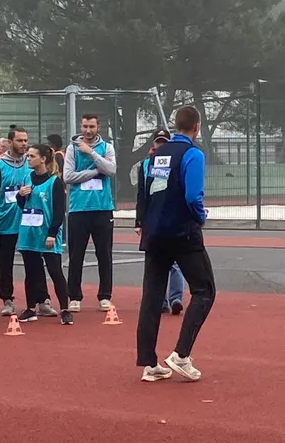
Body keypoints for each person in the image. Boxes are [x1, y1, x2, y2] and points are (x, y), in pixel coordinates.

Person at [135, 106, 215, 383]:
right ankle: (181, 354)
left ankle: (148, 363)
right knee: (205, 291)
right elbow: (193, 195)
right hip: (182, 233)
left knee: (152, 296)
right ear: (196, 126)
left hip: (155, 233)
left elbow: (147, 194)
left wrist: (144, 224)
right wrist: (200, 215)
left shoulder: (155, 156)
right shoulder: (193, 154)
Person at [63, 114, 117, 313]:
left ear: (98, 127)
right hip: (79, 209)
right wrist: (95, 171)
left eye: (92, 126)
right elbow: (68, 176)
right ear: (81, 126)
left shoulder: (107, 147)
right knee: (76, 254)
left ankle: (105, 296)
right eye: (85, 126)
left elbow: (111, 170)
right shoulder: (72, 149)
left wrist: (92, 154)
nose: (88, 130)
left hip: (102, 208)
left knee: (104, 254)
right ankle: (74, 296)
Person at [16, 144, 72, 324]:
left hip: (46, 232)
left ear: (43, 159)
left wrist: (52, 233)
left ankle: (65, 309)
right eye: (28, 156)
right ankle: (30, 308)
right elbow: (22, 205)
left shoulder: (54, 182)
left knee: (55, 271)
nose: (28, 159)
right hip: (29, 231)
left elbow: (58, 211)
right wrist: (20, 195)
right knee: (31, 272)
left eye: (32, 156)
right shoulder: (26, 177)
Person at [134, 129, 184, 314]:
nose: (161, 145)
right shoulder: (145, 165)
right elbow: (142, 194)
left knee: (175, 263)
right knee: (155, 262)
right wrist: (139, 221)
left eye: (164, 142)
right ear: (153, 144)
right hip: (151, 220)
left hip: (172, 218)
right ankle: (159, 301)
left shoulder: (176, 162)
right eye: (158, 142)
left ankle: (176, 298)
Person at [0, 126, 31, 315]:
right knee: (5, 262)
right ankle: (7, 300)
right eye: (20, 140)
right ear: (10, 143)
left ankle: (39, 299)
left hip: (28, 220)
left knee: (33, 261)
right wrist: (1, 211)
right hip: (6, 223)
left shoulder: (31, 162)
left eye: (25, 140)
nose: (24, 144)